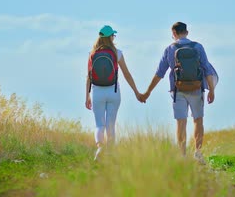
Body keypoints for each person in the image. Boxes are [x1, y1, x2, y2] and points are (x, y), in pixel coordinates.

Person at [141, 22, 217, 164]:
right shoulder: (198, 47)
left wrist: (147, 92)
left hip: (177, 90)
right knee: (198, 120)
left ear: (174, 33)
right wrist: (211, 90)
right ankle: (198, 153)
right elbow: (207, 69)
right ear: (187, 32)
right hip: (196, 89)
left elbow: (159, 73)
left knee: (181, 123)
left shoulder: (170, 49)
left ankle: (182, 155)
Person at [85, 25, 144, 161]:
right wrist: (136, 92)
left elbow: (88, 76)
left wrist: (87, 95)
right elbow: (127, 75)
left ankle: (100, 148)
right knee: (111, 124)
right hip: (114, 92)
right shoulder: (117, 53)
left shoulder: (92, 54)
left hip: (97, 92)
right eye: (113, 35)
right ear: (110, 37)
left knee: (99, 124)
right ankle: (110, 153)